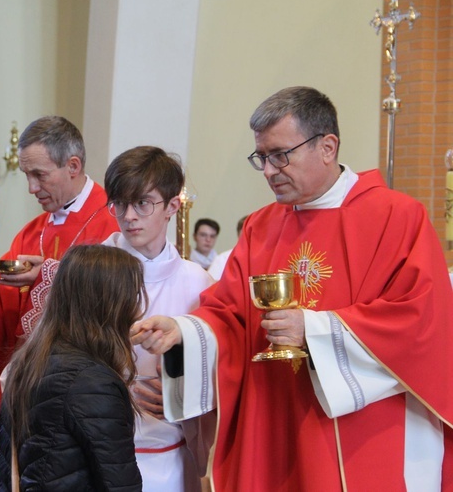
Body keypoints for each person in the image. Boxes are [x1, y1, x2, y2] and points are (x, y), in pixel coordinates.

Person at [131, 86, 453, 490]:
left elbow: (421, 321)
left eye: (280, 155)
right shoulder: (261, 226)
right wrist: (185, 332)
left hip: (361, 430)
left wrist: (315, 330)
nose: (268, 170)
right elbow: (228, 314)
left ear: (327, 147)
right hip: (273, 421)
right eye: (261, 158)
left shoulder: (397, 217)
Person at [21, 146, 216, 490]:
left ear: (172, 206)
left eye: (142, 203)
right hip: (91, 453)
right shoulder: (89, 270)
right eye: (119, 204)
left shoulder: (198, 281)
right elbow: (52, 356)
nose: (129, 216)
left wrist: (180, 394)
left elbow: (221, 364)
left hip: (169, 452)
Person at [0, 116, 119, 490]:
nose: (30, 188)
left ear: (73, 165)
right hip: (26, 396)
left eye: (39, 175)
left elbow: (117, 296)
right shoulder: (32, 231)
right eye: (26, 175)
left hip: (79, 398)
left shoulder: (115, 222)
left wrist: (51, 275)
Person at [0, 244, 144, 491]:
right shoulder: (94, 383)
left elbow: (4, 474)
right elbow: (120, 485)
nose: (137, 312)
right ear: (109, 305)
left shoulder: (29, 361)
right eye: (133, 297)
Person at [207, 215, 247, 280]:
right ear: (238, 234)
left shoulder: (266, 258)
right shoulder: (223, 259)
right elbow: (211, 285)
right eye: (245, 233)